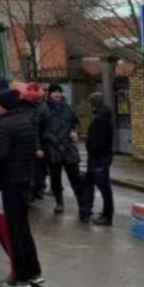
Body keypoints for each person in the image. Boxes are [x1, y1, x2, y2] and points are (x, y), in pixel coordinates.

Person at [0, 88, 43, 287]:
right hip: (23, 181)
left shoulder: (4, 126)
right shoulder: (25, 122)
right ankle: (33, 271)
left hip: (6, 185)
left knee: (9, 231)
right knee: (23, 229)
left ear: (4, 106)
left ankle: (19, 275)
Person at [40, 84, 85, 219]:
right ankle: (59, 202)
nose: (57, 95)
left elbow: (76, 123)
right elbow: (38, 129)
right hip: (52, 149)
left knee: (75, 177)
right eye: (54, 92)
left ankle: (82, 203)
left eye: (59, 92)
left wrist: (75, 131)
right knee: (55, 178)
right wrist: (39, 147)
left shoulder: (68, 108)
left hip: (68, 148)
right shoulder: (43, 110)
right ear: (49, 94)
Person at [84, 92, 116, 225]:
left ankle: (107, 215)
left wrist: (91, 148)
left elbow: (98, 141)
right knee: (95, 185)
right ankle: (101, 212)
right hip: (101, 157)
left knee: (104, 188)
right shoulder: (104, 117)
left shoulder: (100, 119)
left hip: (99, 159)